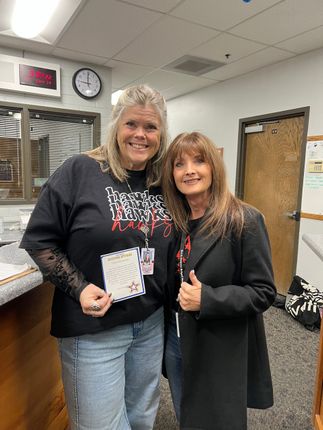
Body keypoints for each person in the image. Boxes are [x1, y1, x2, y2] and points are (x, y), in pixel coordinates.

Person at [20, 84, 174, 430]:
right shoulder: (80, 171)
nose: (140, 134)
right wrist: (80, 288)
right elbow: (40, 241)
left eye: (151, 127)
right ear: (116, 126)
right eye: (131, 124)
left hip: (149, 323)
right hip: (93, 329)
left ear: (161, 134)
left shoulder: (162, 179)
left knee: (141, 417)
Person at [161, 131, 276, 430]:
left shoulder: (244, 219)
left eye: (198, 161)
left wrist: (207, 299)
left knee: (216, 421)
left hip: (219, 343)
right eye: (179, 164)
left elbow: (263, 292)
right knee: (185, 413)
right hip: (176, 338)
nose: (189, 170)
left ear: (213, 166)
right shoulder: (176, 221)